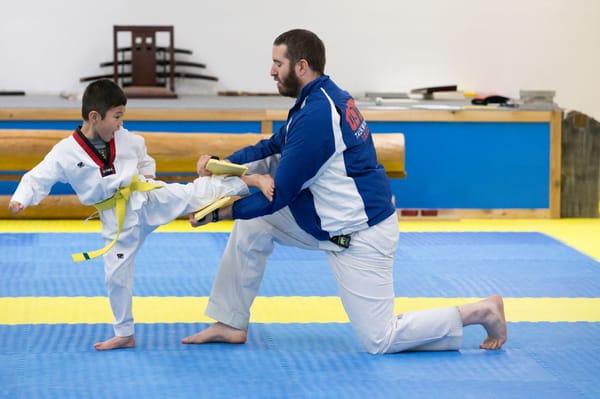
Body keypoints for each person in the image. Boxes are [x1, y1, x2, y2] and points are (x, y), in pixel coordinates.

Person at [182, 29, 507, 353]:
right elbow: (272, 147)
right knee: (253, 226)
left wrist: (218, 213)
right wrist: (222, 163)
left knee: (381, 339)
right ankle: (230, 321)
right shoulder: (317, 98)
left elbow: (278, 195)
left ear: (301, 66)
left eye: (276, 63)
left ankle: (479, 311)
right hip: (325, 219)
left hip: (361, 233)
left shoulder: (319, 116)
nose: (271, 71)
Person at [9, 79, 274, 351]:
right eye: (117, 117)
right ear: (94, 117)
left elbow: (144, 157)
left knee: (193, 194)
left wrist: (148, 175)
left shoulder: (126, 138)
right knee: (115, 274)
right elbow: (38, 176)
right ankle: (124, 333)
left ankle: (252, 181)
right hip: (117, 219)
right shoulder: (65, 152)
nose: (121, 123)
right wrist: (21, 198)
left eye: (122, 116)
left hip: (145, 197)